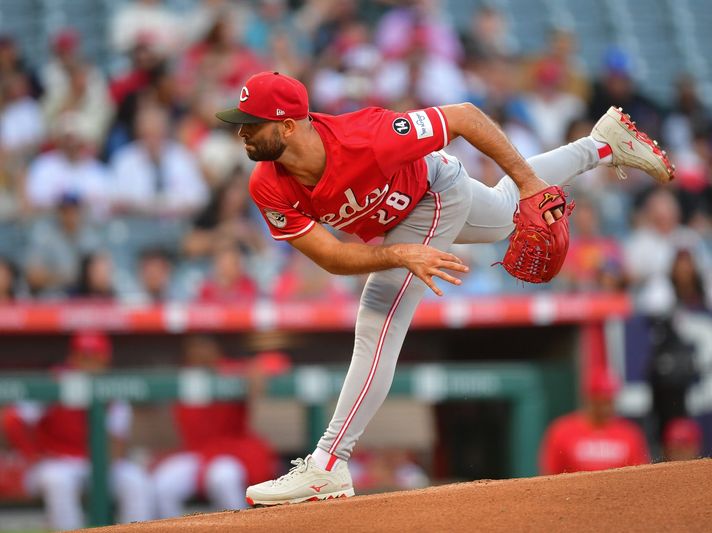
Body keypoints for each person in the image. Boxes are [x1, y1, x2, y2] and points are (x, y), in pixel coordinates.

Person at [214, 71, 672, 505]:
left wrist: (532, 184)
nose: (242, 132)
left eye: (252, 124)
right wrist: (399, 253)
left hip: (434, 190)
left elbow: (465, 116)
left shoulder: (367, 136)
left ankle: (329, 463)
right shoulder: (267, 185)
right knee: (504, 215)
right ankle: (603, 144)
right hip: (402, 219)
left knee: (378, 318)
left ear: (288, 126)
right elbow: (331, 257)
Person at [0, 331, 153, 530]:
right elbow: (13, 420)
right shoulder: (56, 382)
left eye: (94, 357)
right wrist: (31, 455)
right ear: (72, 357)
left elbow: (118, 442)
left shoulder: (113, 389)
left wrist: (101, 474)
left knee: (135, 479)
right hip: (57, 463)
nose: (88, 363)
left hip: (97, 464)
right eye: (83, 356)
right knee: (58, 480)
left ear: (105, 360)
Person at [151, 334, 278, 517]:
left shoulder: (230, 371)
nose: (201, 355)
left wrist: (256, 368)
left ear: (216, 351)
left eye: (205, 349)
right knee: (162, 484)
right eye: (195, 351)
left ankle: (242, 526)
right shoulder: (184, 377)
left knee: (223, 477)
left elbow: (275, 363)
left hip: (229, 452)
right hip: (196, 454)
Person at [539, 371, 650, 475]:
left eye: (608, 401)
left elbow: (639, 475)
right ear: (589, 399)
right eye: (599, 402)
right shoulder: (562, 431)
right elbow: (550, 475)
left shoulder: (629, 434)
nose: (604, 408)